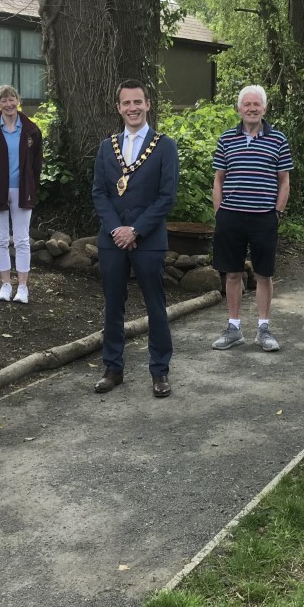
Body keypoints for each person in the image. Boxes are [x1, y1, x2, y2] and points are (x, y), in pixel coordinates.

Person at [91, 80, 179, 398]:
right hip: (112, 239)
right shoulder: (107, 147)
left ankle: (160, 372)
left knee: (155, 305)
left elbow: (167, 196)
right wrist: (117, 228)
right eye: (126, 103)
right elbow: (99, 193)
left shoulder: (164, 145)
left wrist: (136, 230)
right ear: (119, 108)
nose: (132, 108)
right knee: (113, 305)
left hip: (149, 239)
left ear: (148, 104)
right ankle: (113, 368)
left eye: (137, 102)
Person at [209, 84, 293, 353]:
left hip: (263, 218)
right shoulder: (226, 139)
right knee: (232, 273)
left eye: (257, 104)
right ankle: (233, 328)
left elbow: (284, 181)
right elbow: (218, 179)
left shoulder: (278, 139)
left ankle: (263, 329)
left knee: (263, 274)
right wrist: (219, 212)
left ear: (264, 108)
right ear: (239, 109)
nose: (252, 109)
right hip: (230, 217)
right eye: (247, 104)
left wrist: (277, 212)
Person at [0, 84, 43, 304]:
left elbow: (36, 165)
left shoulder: (32, 130)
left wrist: (32, 187)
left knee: (22, 239)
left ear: (18, 100)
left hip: (22, 190)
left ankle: (22, 287)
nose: (8, 104)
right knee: (0, 239)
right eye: (3, 100)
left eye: (11, 99)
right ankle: (5, 284)